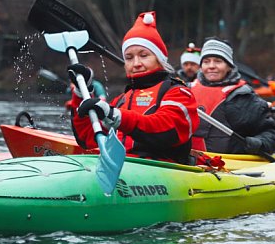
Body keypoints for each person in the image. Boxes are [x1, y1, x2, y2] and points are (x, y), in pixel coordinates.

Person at [68, 11, 199, 164]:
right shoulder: (122, 100)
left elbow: (167, 131)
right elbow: (87, 139)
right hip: (127, 169)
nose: (136, 63)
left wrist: (116, 116)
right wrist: (81, 93)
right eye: (129, 58)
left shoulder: (179, 93)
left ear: (160, 60)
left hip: (166, 171)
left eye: (144, 55)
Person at [189, 38, 275, 155]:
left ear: (229, 66)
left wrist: (259, 143)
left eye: (218, 61)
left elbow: (270, 133)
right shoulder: (187, 90)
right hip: (188, 162)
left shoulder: (243, 96)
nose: (211, 66)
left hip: (228, 166)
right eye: (206, 61)